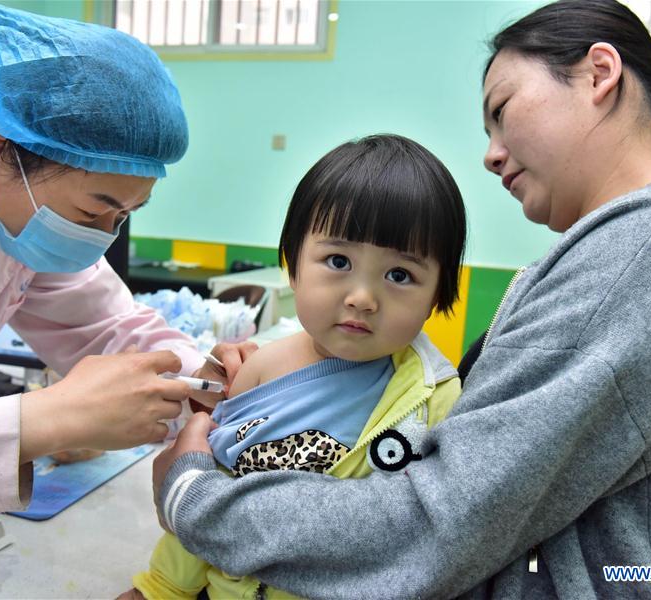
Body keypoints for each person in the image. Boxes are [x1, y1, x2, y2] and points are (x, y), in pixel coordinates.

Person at [151, 1, 651, 598]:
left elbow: (441, 520)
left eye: (502, 110)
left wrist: (196, 499)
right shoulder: (636, 244)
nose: (491, 154)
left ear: (599, 74)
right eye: (336, 262)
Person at [0, 0, 252, 539]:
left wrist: (204, 377)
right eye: (92, 212)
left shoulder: (14, 205)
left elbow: (103, 326)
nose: (100, 237)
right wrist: (40, 420)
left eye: (125, 215)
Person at [122, 134, 467, 599]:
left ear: (437, 295)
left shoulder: (434, 398)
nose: (362, 298)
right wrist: (162, 588)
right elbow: (217, 485)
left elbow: (431, 532)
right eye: (338, 260)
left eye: (399, 275)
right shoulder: (261, 367)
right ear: (293, 266)